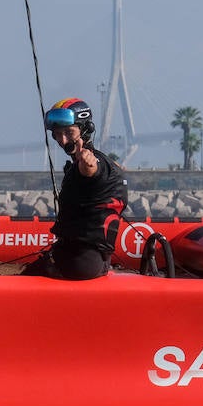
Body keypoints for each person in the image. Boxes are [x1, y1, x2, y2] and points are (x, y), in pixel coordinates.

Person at [22, 97, 128, 280]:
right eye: (57, 134)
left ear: (85, 129)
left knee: (22, 283)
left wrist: (87, 163)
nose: (63, 140)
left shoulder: (91, 162)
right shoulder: (106, 163)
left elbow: (91, 171)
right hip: (94, 261)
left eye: (69, 132)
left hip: (79, 262)